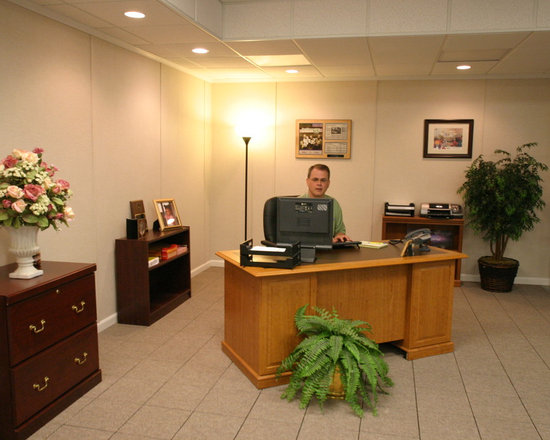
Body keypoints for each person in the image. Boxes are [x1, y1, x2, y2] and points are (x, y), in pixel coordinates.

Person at [300, 164, 352, 243]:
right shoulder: (297, 203)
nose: (319, 184)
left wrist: (340, 236)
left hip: (329, 251)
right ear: (307, 182)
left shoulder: (334, 204)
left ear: (328, 183)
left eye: (323, 180)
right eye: (315, 179)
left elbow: (340, 231)